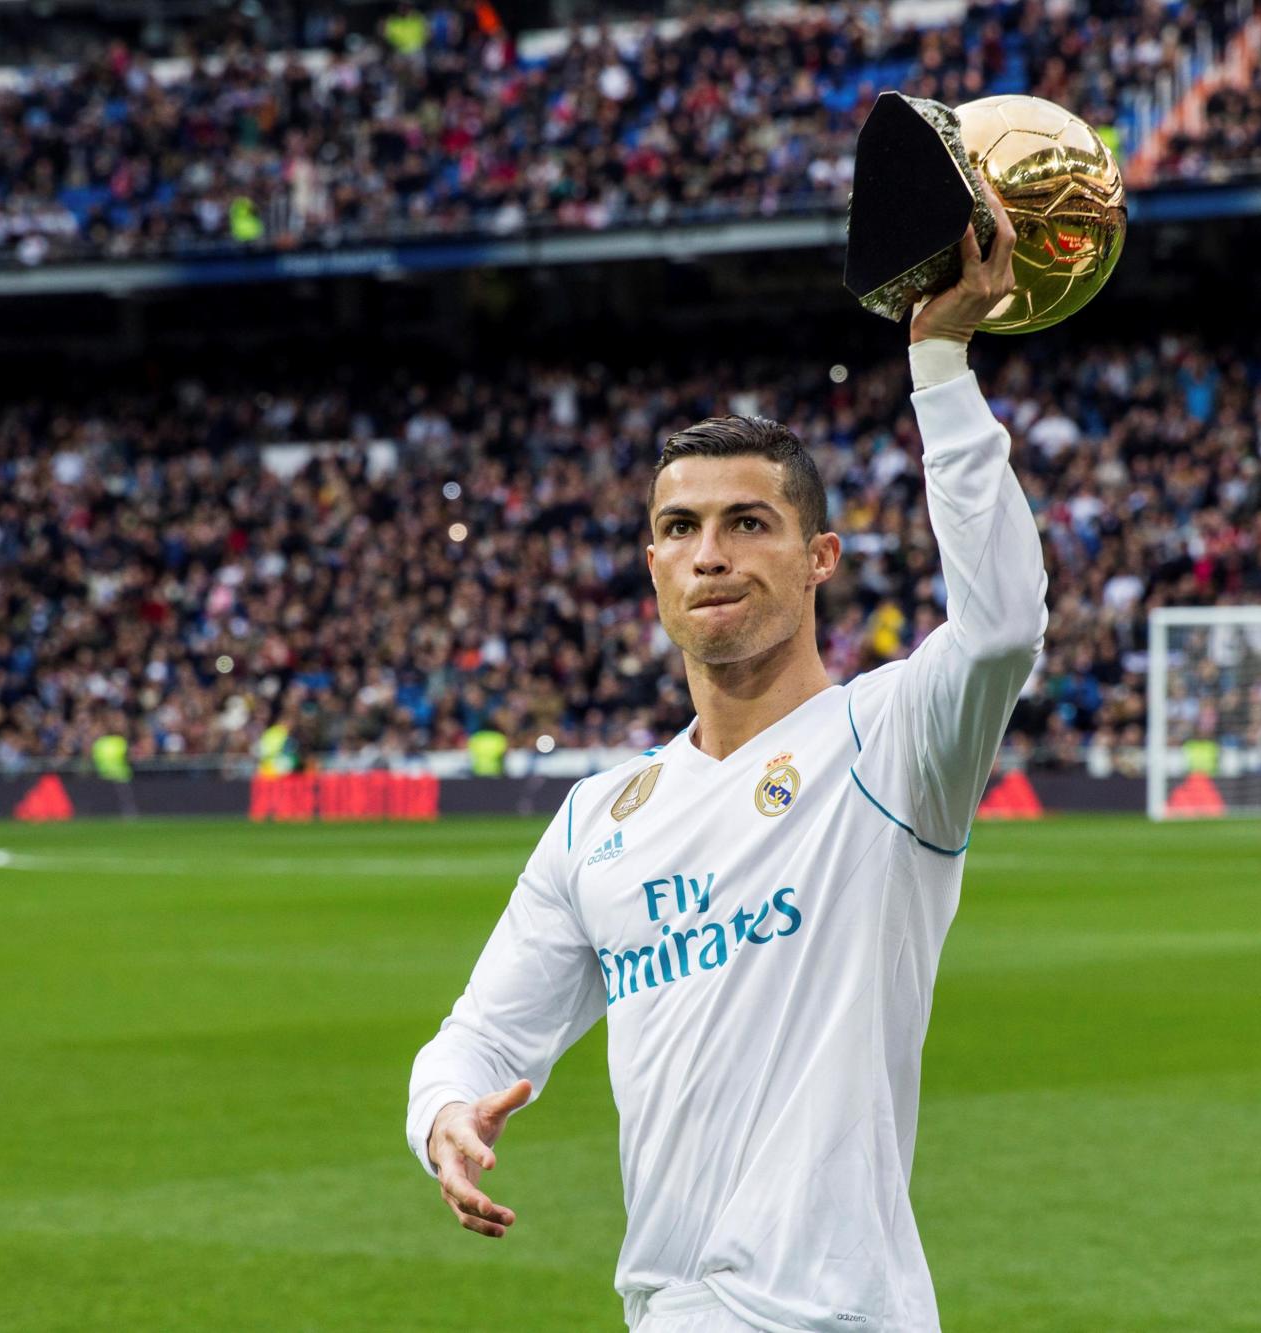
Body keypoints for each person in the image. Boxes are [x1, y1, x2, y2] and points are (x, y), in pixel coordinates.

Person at [405, 178, 1047, 1332]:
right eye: (678, 529)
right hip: (666, 1311)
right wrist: (444, 1112)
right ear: (651, 567)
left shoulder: (889, 741)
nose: (709, 554)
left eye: (748, 523)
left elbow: (1000, 625)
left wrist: (939, 368)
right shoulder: (600, 816)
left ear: (819, 559)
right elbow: (487, 1030)